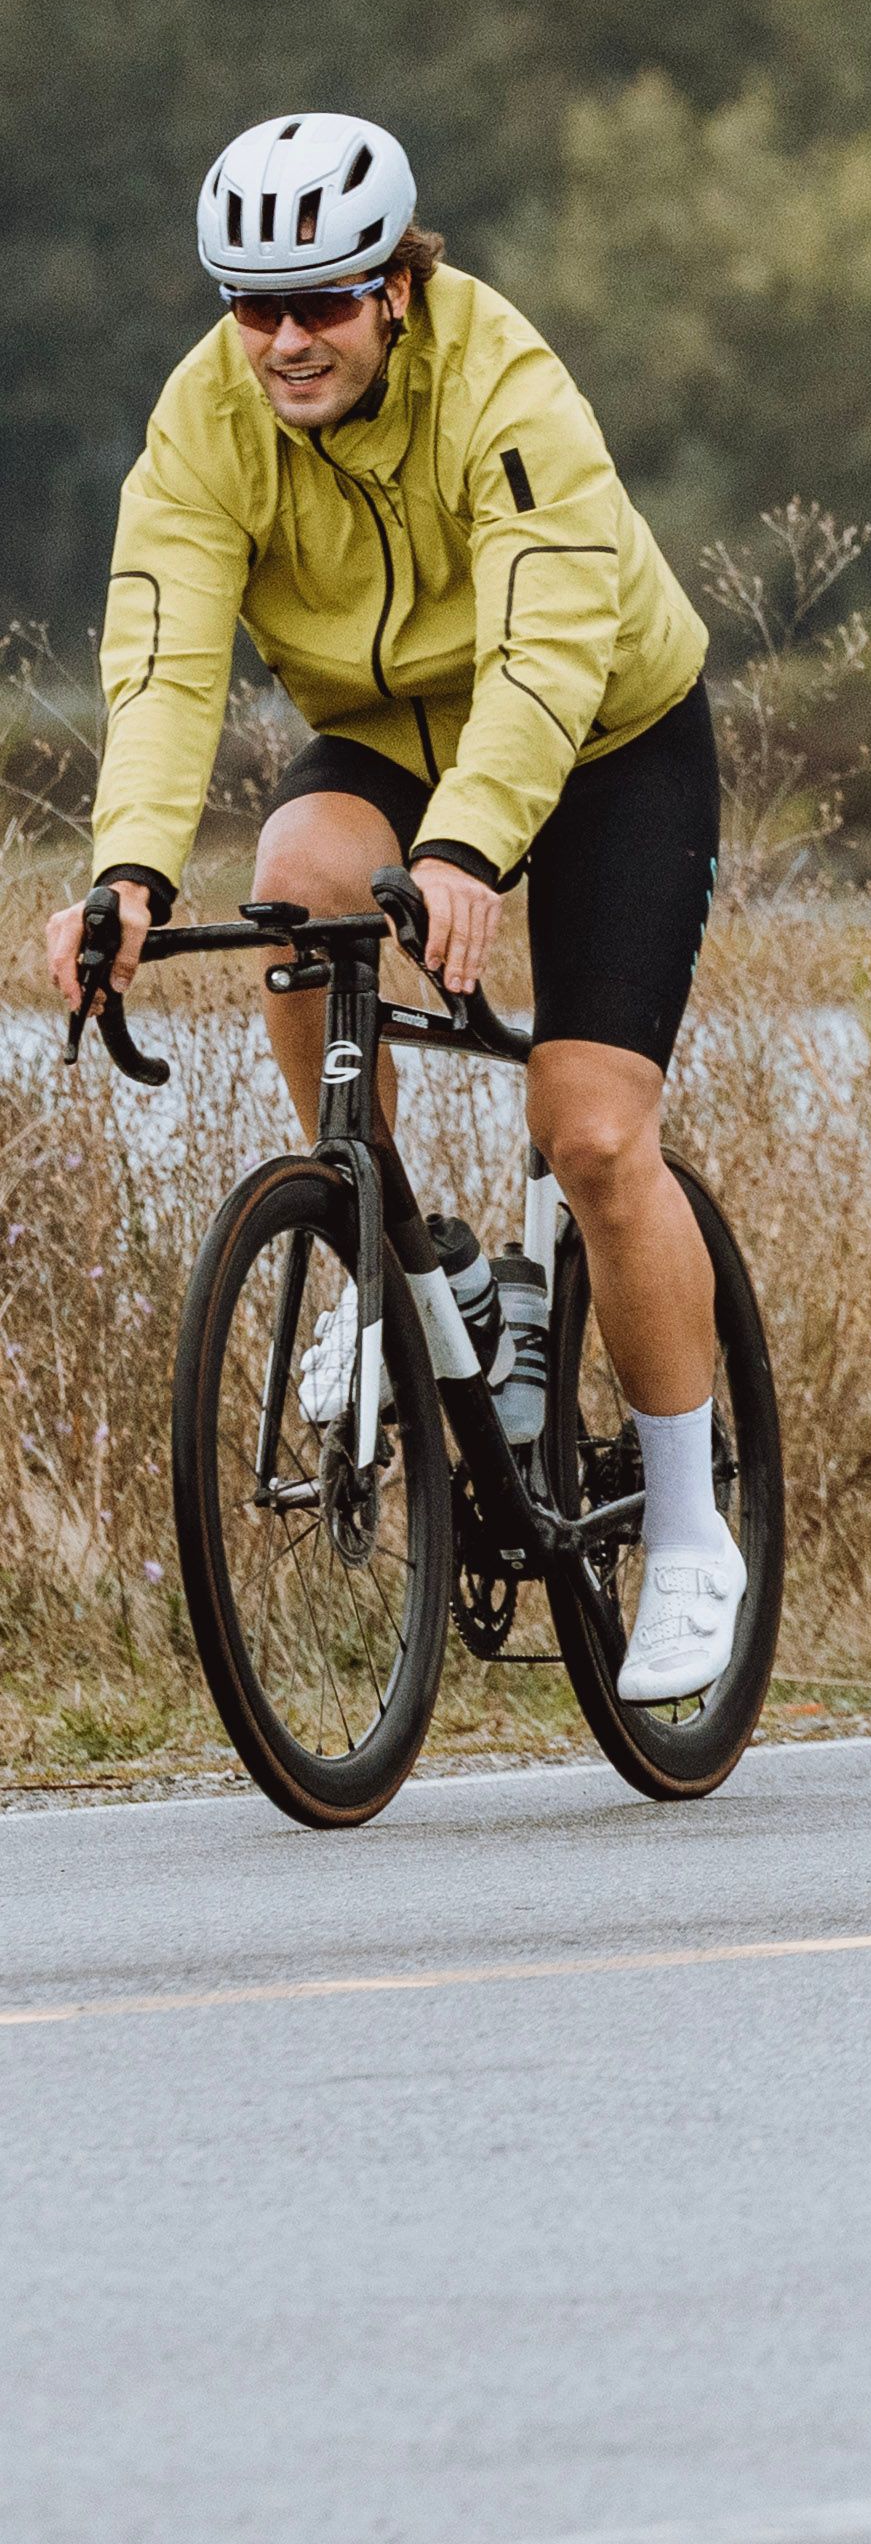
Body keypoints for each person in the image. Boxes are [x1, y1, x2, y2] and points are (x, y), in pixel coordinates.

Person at [50, 110, 743, 1702]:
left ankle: (696, 1531)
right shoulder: (207, 416)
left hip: (608, 738)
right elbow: (160, 658)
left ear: (396, 287)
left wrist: (473, 848)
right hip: (391, 732)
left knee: (590, 1130)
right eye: (253, 305)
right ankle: (389, 1251)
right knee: (292, 877)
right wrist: (129, 867)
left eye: (323, 303)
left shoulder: (506, 385)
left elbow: (549, 653)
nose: (286, 339)